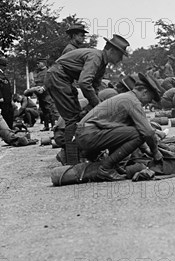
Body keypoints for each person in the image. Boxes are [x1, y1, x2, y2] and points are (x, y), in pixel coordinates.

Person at [45, 34, 130, 165]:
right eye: (120, 55)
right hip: (58, 77)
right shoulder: (96, 57)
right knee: (72, 120)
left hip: (64, 79)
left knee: (78, 116)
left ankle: (73, 156)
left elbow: (95, 86)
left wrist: (97, 107)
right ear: (111, 51)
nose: (121, 60)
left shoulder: (102, 63)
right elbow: (84, 83)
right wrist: (96, 104)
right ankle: (72, 162)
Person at [76, 73, 164, 181]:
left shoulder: (127, 97)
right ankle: (105, 168)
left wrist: (146, 149)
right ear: (145, 92)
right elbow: (147, 132)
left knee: (131, 132)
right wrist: (155, 152)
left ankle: (113, 166)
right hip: (89, 134)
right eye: (150, 99)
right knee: (139, 134)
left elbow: (124, 131)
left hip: (86, 134)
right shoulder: (132, 101)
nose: (148, 103)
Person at [29, 58, 58, 131]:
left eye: (39, 63)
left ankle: (53, 125)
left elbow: (48, 82)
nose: (37, 64)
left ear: (43, 63)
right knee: (44, 110)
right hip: (40, 94)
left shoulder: (48, 72)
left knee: (49, 109)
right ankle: (46, 126)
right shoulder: (39, 73)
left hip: (47, 93)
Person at [0, 57, 14, 129]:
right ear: (1, 66)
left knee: (9, 113)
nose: (5, 68)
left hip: (7, 98)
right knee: (5, 114)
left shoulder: (2, 74)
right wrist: (0, 97)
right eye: (4, 66)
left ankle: (9, 128)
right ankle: (6, 129)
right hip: (3, 99)